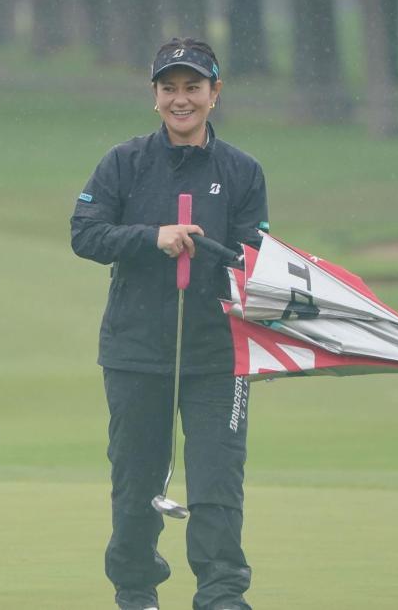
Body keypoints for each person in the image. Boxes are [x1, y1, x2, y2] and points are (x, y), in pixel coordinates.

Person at [71, 38, 270, 610]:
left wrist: (220, 255)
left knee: (217, 483)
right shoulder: (124, 163)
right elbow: (85, 233)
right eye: (169, 89)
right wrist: (151, 237)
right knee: (136, 482)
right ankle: (135, 591)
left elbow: (254, 257)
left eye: (193, 88)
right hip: (135, 350)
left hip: (217, 353)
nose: (181, 100)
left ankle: (221, 593)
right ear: (154, 96)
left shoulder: (241, 171)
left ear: (215, 93)